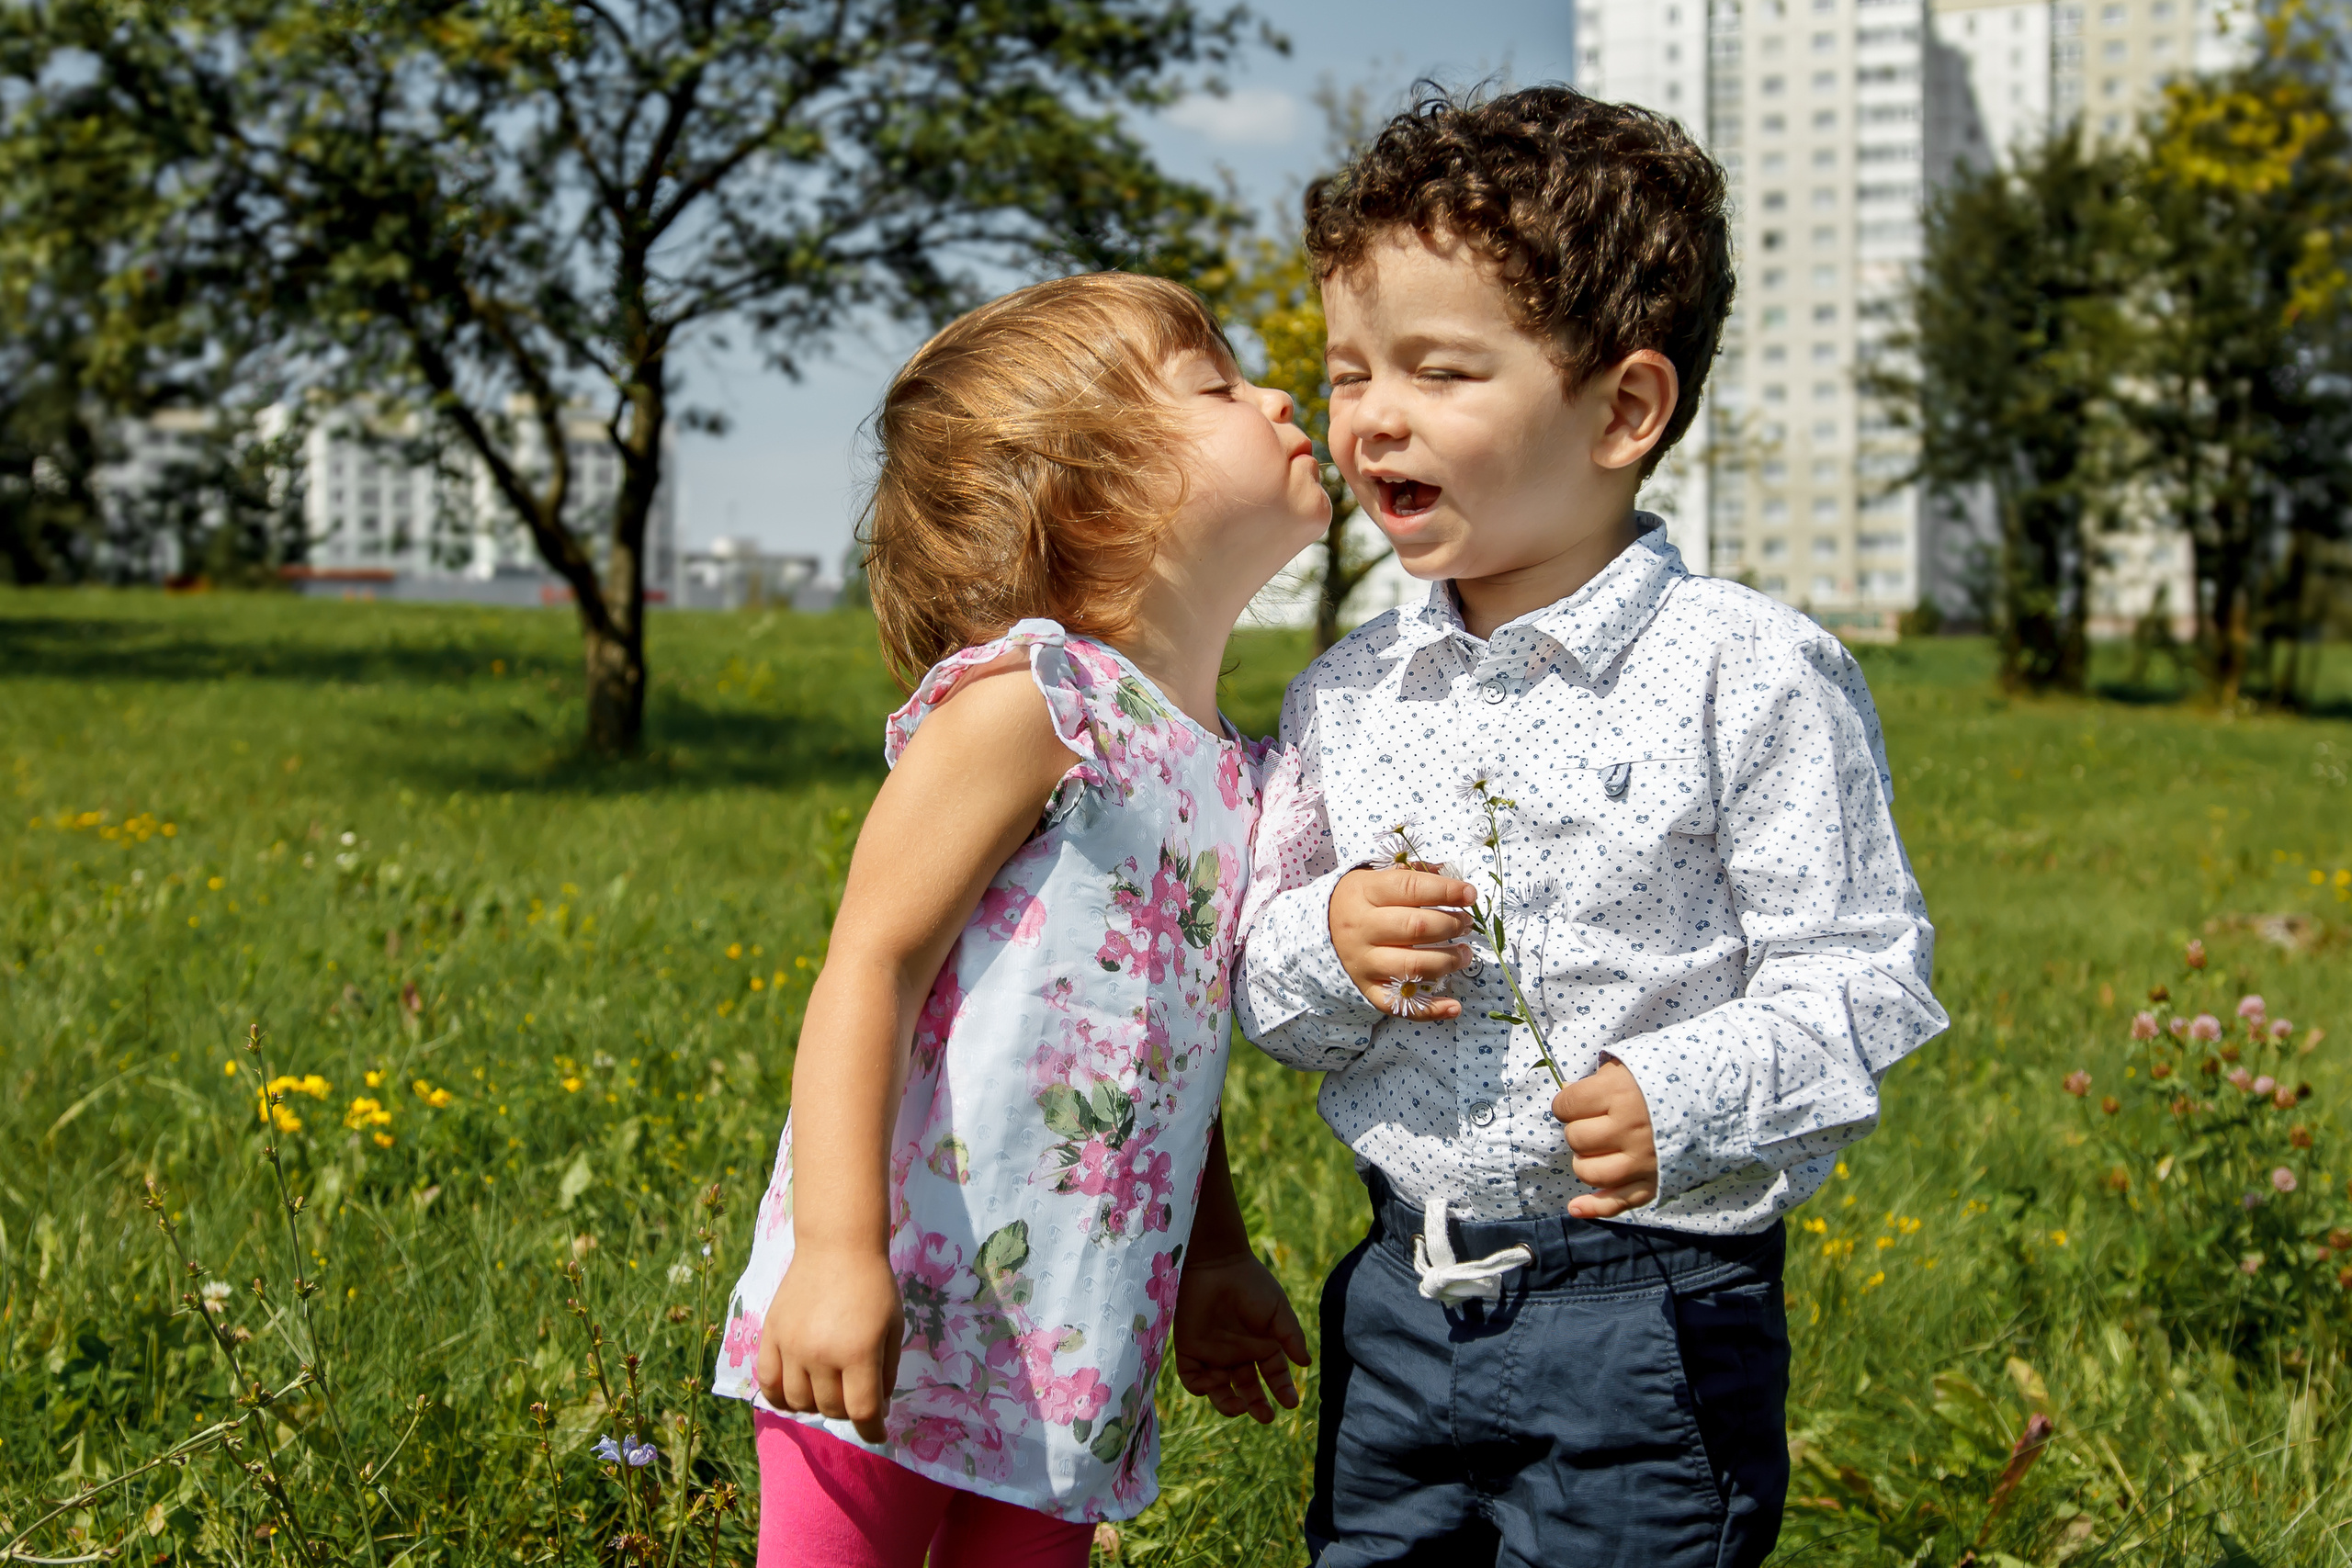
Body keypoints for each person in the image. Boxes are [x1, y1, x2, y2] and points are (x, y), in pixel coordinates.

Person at [1236, 86, 1951, 1567]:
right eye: (1349, 367)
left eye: (1439, 369)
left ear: (1624, 409)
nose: (1372, 414)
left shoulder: (1748, 671)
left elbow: (1866, 977)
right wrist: (1325, 940)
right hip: (1400, 1294)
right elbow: (1263, 992)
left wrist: (1674, 1092)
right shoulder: (1345, 698)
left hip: (1648, 1311)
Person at [712, 273, 1325, 1566]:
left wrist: (1215, 1257)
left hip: (1072, 1338)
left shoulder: (1237, 775)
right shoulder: (1039, 707)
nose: (1280, 396)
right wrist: (835, 1250)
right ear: (1094, 489)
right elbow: (871, 967)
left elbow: (1166, 1055)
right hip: (898, 1296)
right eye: (1219, 386)